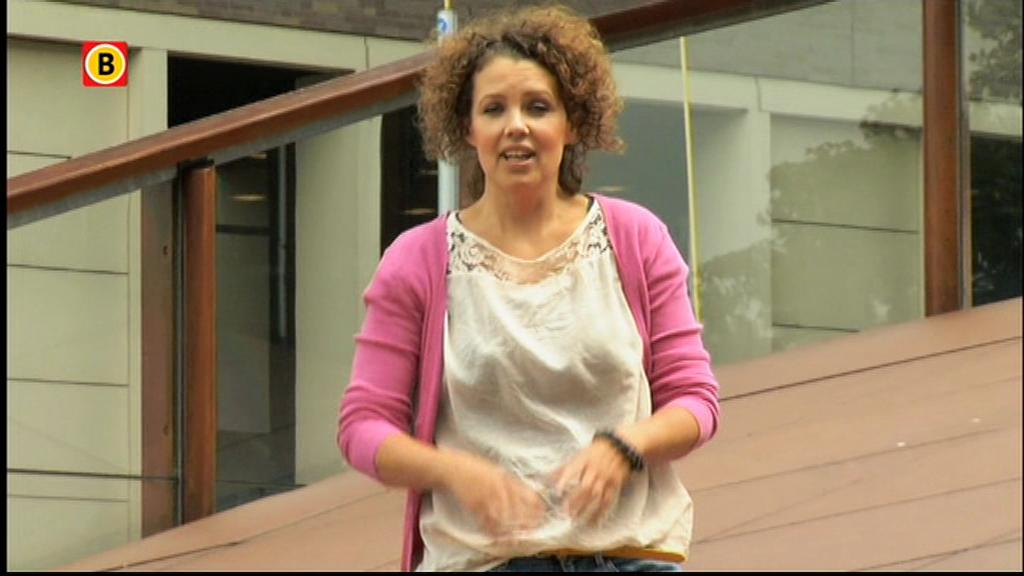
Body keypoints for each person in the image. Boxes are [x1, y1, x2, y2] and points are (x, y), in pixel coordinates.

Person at [338, 5, 719, 572]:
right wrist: (453, 471)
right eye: (494, 109)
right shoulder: (417, 260)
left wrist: (626, 447)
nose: (516, 125)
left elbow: (695, 401)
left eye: (537, 107)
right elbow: (363, 426)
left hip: (631, 557)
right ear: (468, 129)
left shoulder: (636, 237)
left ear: (572, 123)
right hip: (486, 562)